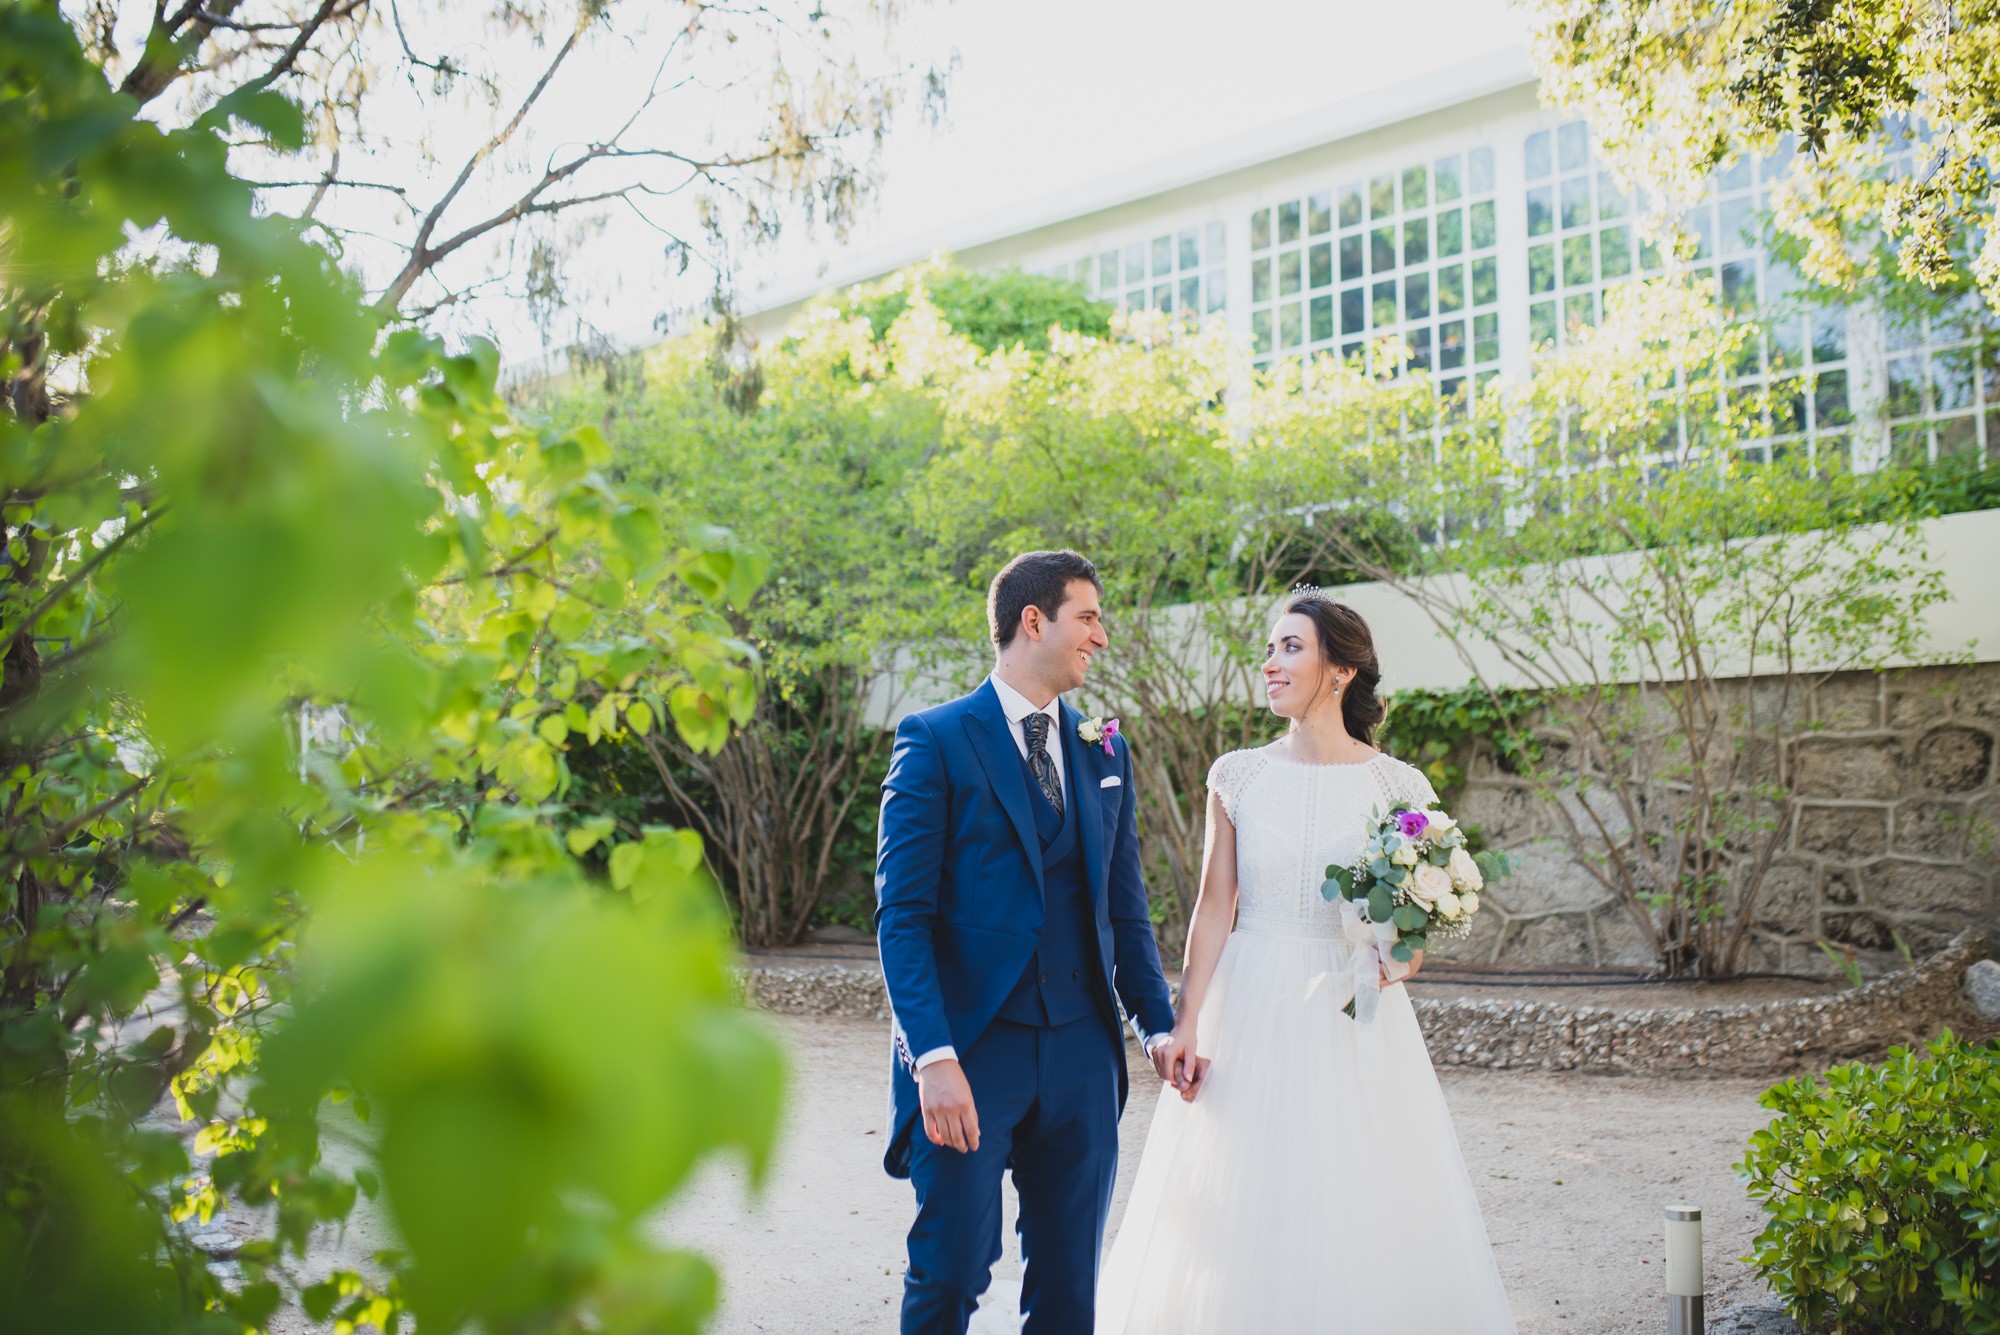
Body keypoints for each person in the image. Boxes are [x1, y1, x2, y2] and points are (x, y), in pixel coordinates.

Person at [1095, 590, 1518, 1333]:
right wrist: (1184, 1022)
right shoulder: (1238, 775)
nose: (1271, 662)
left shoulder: (1399, 788)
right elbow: (1215, 907)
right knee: (1243, 1188)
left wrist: (1400, 958)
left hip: (1350, 1014)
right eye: (1270, 648)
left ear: (1342, 669)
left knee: (1353, 1187)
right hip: (1249, 1005)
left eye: (1291, 647)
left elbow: (1417, 926)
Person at [875, 550, 1186, 1335]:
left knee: (1068, 1289)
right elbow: (902, 917)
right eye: (1089, 617)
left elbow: (1125, 908)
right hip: (973, 1052)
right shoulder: (935, 738)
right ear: (1034, 620)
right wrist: (933, 1057)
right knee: (951, 1269)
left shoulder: (1104, 748)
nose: (1101, 637)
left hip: (1082, 1053)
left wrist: (1156, 1025)